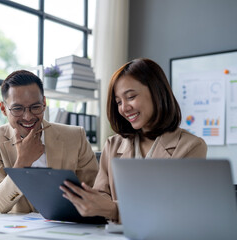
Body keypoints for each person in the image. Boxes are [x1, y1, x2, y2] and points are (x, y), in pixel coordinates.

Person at [60, 58, 207, 223]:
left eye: (130, 97)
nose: (124, 108)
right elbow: (102, 197)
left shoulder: (191, 147)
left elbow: (177, 210)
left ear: (156, 92)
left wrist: (113, 209)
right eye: (118, 102)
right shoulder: (113, 145)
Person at [0, 70, 99, 214]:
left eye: (35, 107)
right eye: (17, 109)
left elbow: (96, 192)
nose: (28, 117)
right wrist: (22, 162)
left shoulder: (75, 137)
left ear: (44, 103)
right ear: (4, 109)